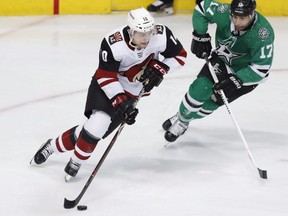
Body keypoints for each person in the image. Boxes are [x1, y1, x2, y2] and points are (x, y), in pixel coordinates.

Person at [30, 7, 187, 181]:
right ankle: (75, 162)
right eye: (141, 34)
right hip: (106, 86)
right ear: (131, 31)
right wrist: (122, 102)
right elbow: (106, 76)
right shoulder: (113, 43)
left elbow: (180, 56)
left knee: (90, 131)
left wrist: (160, 68)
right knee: (98, 124)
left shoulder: (161, 34)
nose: (146, 38)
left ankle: (51, 146)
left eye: (148, 32)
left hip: (133, 91)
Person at [163, 0, 274, 142]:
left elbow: (260, 69)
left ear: (252, 14)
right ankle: (182, 121)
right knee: (199, 89)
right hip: (221, 61)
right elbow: (202, 9)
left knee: (209, 106)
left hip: (245, 74)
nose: (237, 22)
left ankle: (183, 115)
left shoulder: (262, 34)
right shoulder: (223, 11)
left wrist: (237, 80)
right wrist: (200, 34)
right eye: (235, 17)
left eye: (242, 18)